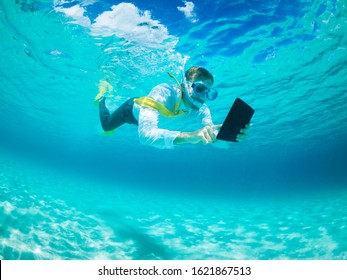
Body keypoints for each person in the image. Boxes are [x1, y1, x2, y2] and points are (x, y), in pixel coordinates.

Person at [95, 66, 248, 149]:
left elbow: (208, 131)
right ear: (184, 85)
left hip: (152, 119)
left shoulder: (202, 110)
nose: (203, 97)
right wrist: (190, 136)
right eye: (200, 89)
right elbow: (146, 135)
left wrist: (226, 135)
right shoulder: (163, 92)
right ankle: (102, 99)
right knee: (107, 126)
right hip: (131, 111)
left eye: (210, 93)